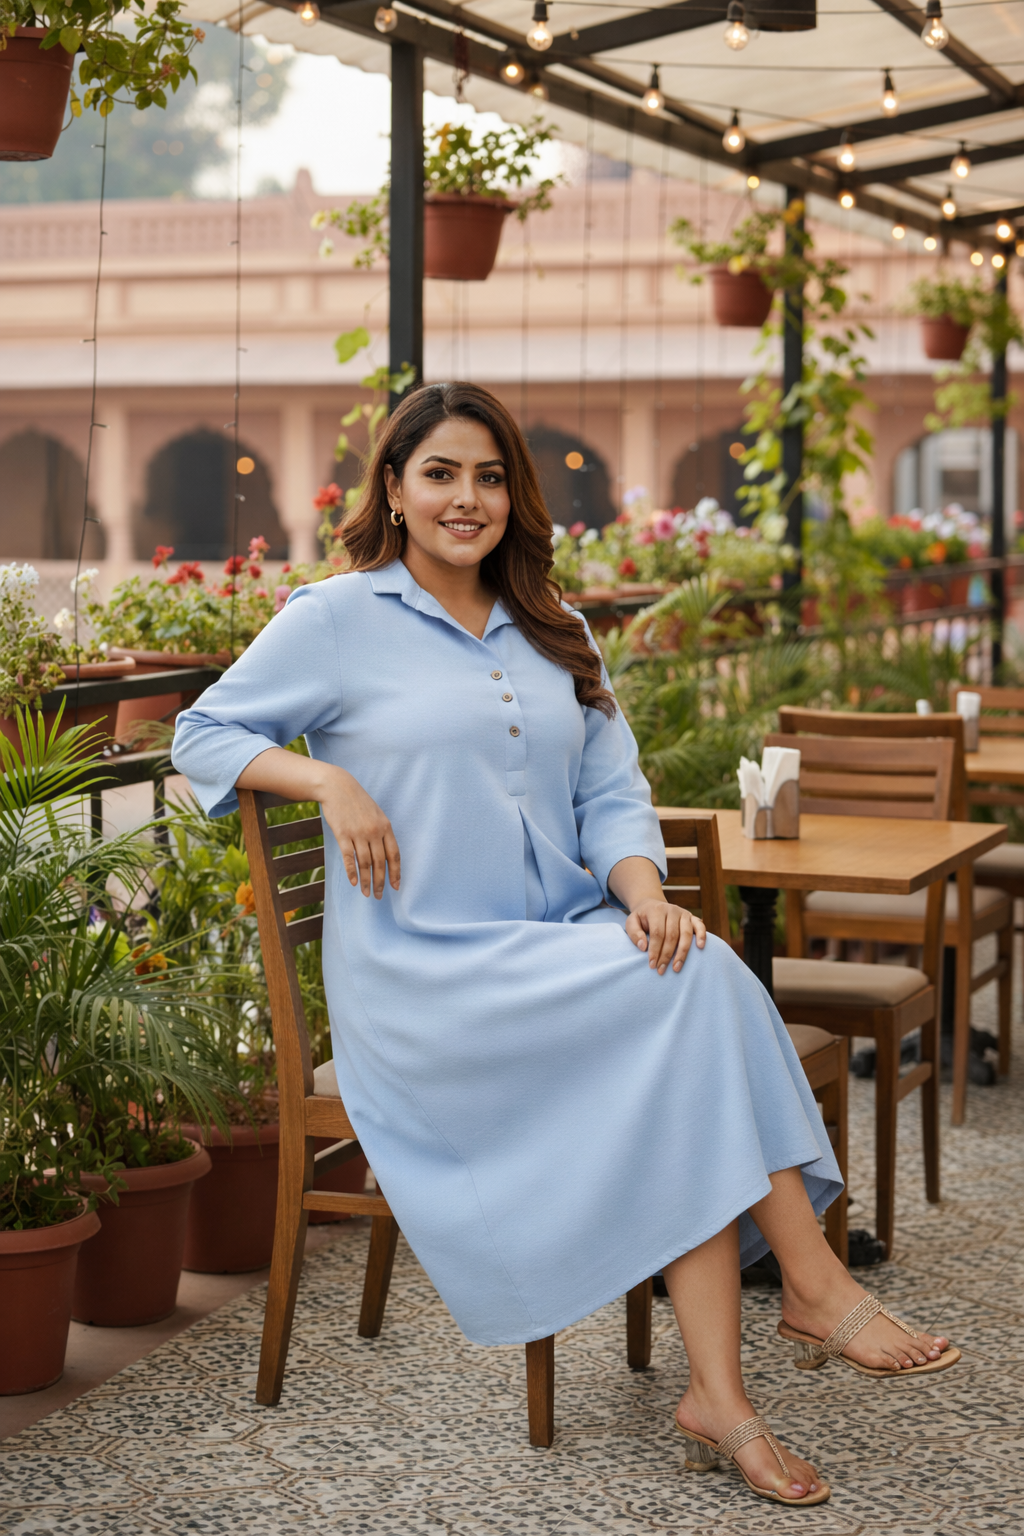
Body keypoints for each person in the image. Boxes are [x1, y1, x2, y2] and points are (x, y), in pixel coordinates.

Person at [172, 382, 958, 1509]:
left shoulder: (554, 624)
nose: (466, 498)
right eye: (439, 473)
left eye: (489, 477)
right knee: (695, 1004)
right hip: (429, 979)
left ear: (515, 496)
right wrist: (324, 777)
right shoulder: (335, 618)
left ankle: (725, 1397)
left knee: (688, 980)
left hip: (561, 951)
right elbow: (198, 730)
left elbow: (612, 794)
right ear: (391, 489)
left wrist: (643, 895)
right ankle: (813, 1281)